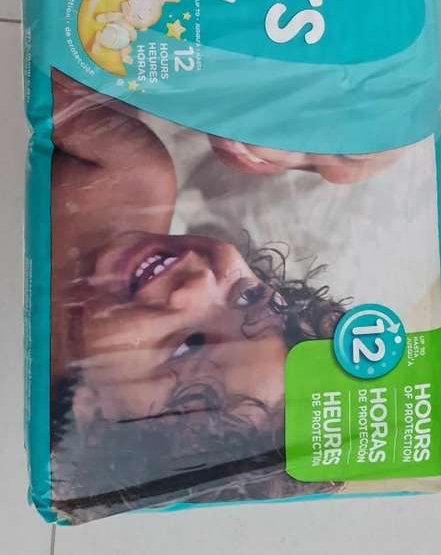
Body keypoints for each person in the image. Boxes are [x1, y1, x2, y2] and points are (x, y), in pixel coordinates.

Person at [49, 70, 348, 522]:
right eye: (246, 298)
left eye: (187, 346)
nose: (198, 286)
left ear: (93, 417)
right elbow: (41, 72)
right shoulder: (131, 178)